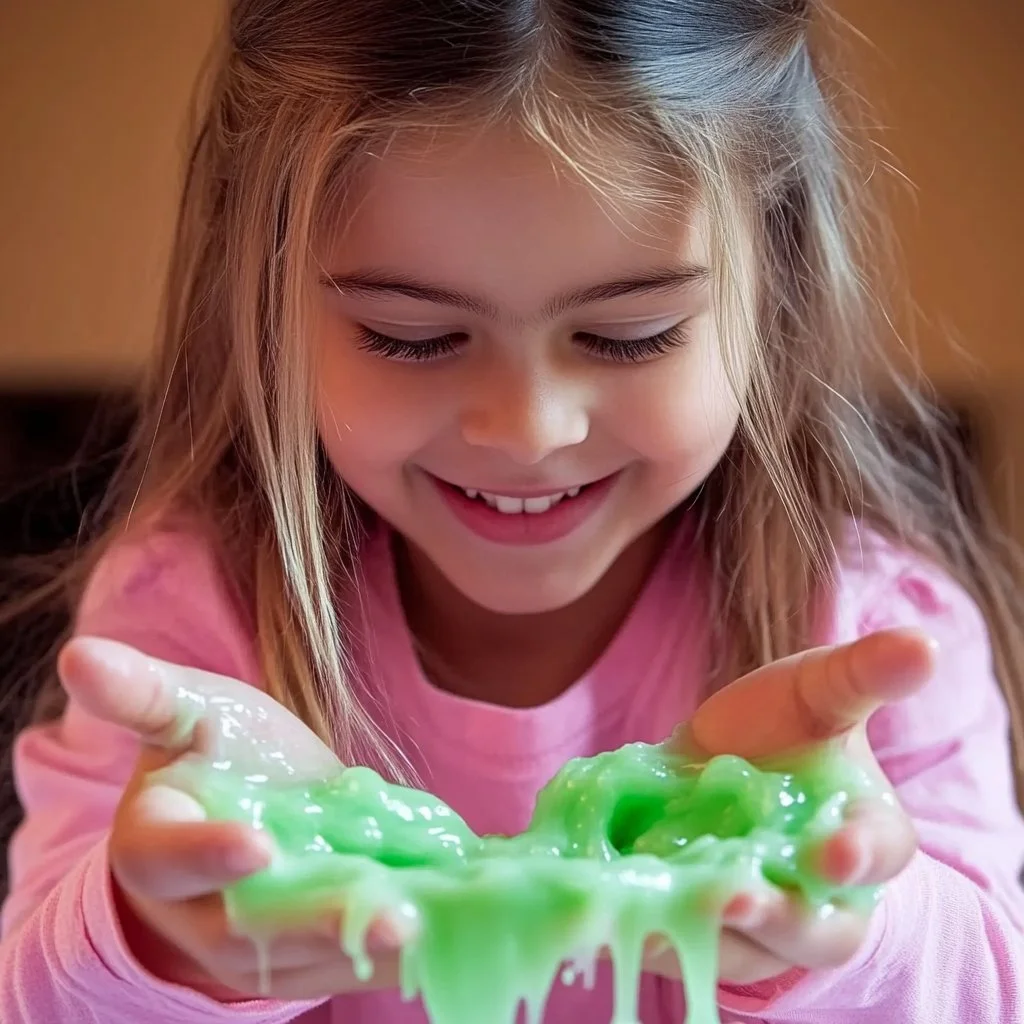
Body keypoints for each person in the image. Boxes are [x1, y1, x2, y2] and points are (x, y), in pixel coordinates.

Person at [1, 1, 1022, 1021]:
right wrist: (154, 951)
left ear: (775, 285)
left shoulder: (875, 646)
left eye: (630, 335)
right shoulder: (185, 628)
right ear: (260, 299)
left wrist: (857, 938)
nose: (526, 429)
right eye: (411, 337)